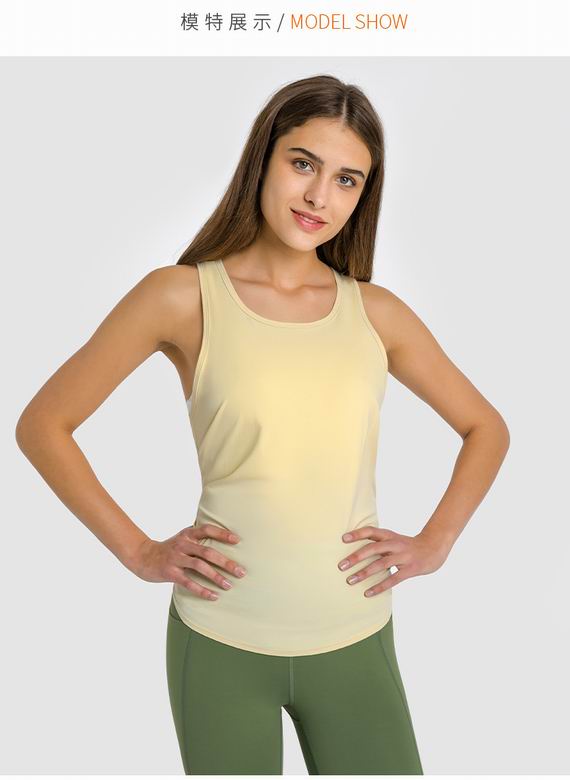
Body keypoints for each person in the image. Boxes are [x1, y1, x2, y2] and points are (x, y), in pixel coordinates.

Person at [15, 74, 510, 775]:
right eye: (303, 163)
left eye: (346, 180)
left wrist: (437, 541)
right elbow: (44, 424)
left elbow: (486, 427)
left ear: (363, 195)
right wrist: (139, 551)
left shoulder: (377, 314)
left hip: (354, 635)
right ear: (264, 158)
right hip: (219, 640)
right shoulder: (182, 297)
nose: (318, 196)